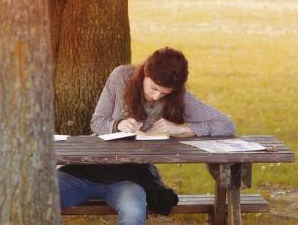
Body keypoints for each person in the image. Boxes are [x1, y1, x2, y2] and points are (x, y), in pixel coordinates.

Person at [58, 47, 235, 225]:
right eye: (153, 88)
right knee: (35, 200)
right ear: (145, 72)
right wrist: (117, 125)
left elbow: (226, 125)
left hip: (128, 178)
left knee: (134, 213)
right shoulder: (121, 77)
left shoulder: (181, 98)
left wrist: (183, 129)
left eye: (164, 93)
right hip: (85, 171)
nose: (156, 96)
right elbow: (97, 121)